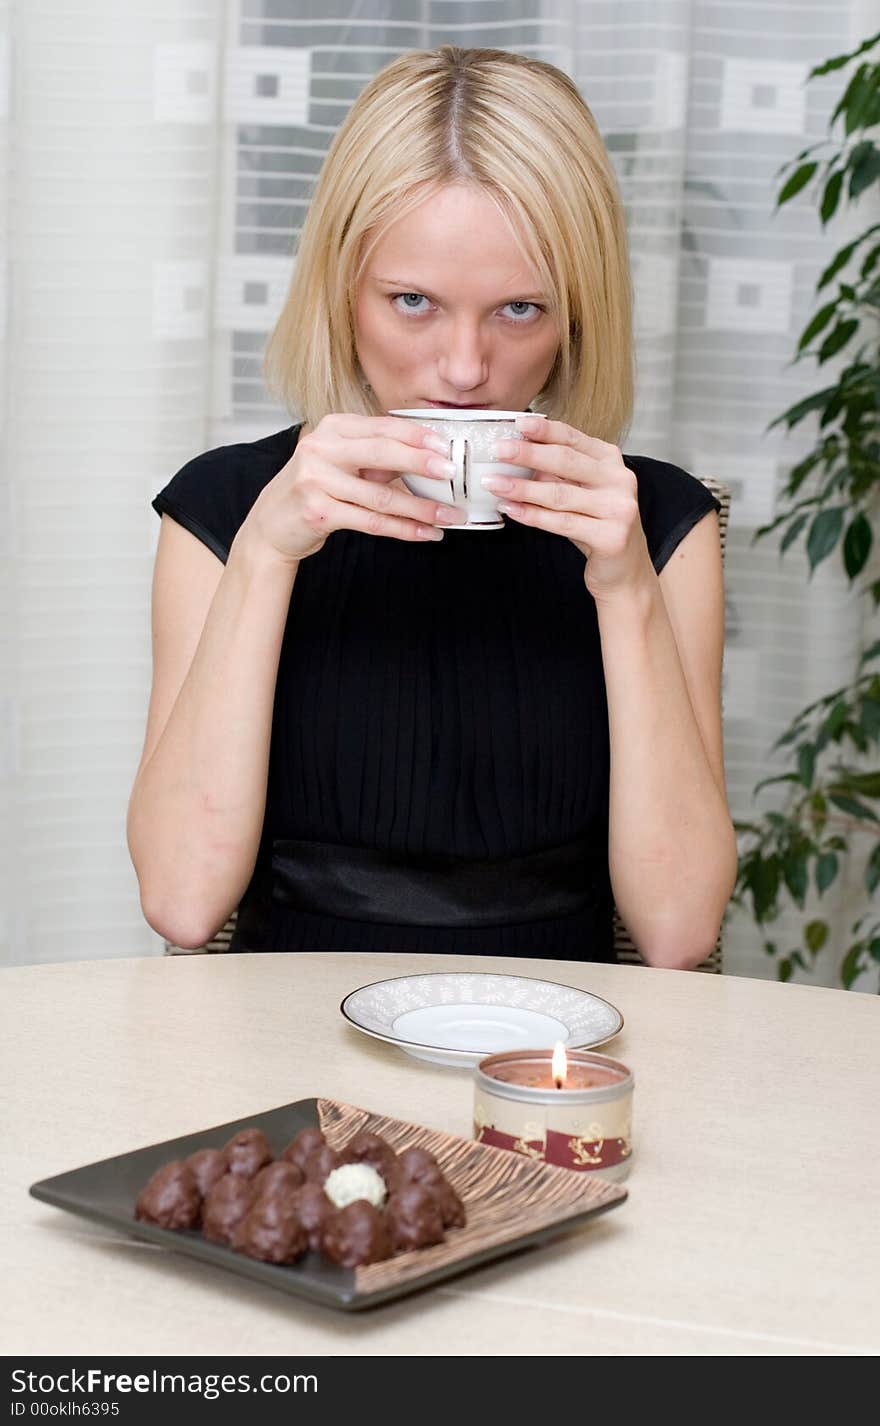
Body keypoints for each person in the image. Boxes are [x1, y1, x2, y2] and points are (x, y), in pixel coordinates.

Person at [127, 46, 738, 968]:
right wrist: (264, 556)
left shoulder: (656, 524)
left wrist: (628, 592)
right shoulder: (225, 508)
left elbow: (679, 932)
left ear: (580, 310)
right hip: (274, 1052)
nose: (463, 368)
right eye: (413, 301)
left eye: (520, 309)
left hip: (547, 1062)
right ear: (342, 289)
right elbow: (180, 899)